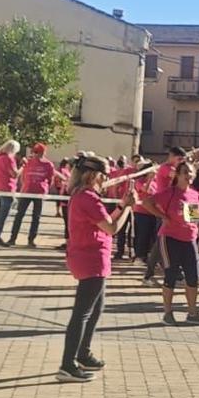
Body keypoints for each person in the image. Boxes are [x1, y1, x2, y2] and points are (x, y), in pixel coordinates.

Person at [58, 153, 133, 382]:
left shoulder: (84, 196)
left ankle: (83, 353)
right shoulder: (88, 198)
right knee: (82, 313)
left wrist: (121, 206)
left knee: (96, 308)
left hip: (92, 255)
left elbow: (104, 222)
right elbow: (112, 228)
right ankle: (68, 364)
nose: (106, 179)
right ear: (93, 175)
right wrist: (127, 208)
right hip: (90, 257)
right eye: (103, 175)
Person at [155, 159, 199, 324]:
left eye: (191, 172)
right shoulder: (170, 192)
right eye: (185, 172)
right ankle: (167, 313)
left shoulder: (194, 194)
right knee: (171, 275)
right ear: (177, 175)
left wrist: (197, 228)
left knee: (193, 276)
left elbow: (194, 215)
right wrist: (163, 216)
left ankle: (192, 313)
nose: (188, 175)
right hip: (170, 237)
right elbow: (149, 202)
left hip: (189, 239)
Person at [13, 143, 55, 247]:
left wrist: (45, 189)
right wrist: (23, 186)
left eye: (38, 152)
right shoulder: (28, 162)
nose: (36, 154)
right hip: (27, 191)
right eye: (35, 152)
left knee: (35, 217)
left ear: (43, 153)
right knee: (20, 215)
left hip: (39, 193)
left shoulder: (48, 164)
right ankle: (13, 238)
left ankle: (31, 239)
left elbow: (50, 179)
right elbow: (23, 176)